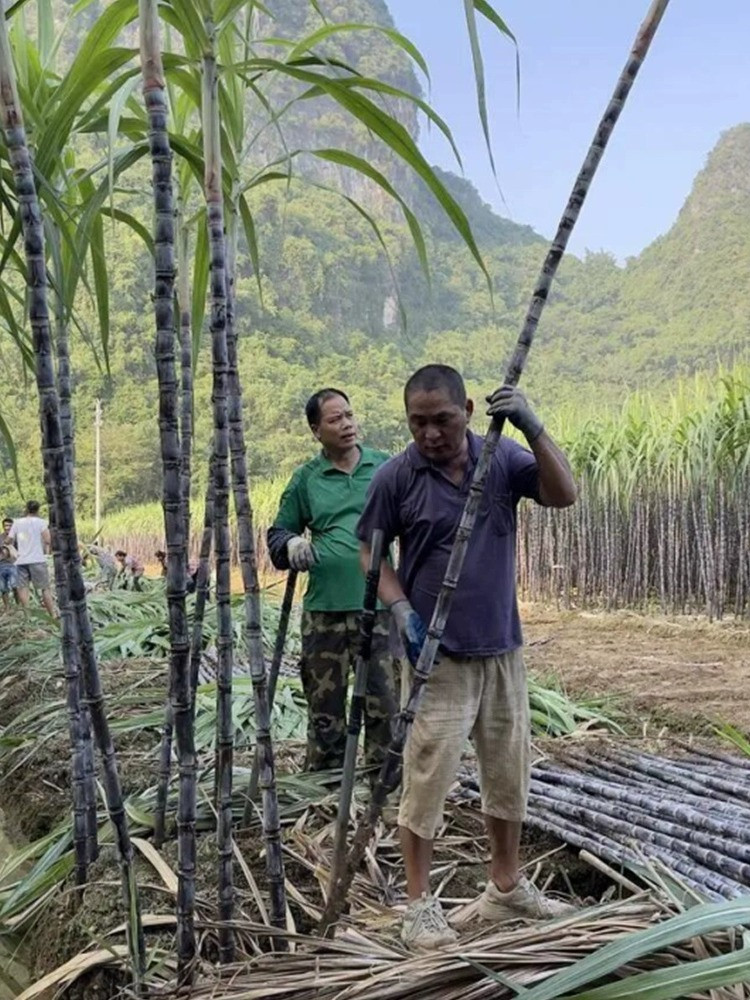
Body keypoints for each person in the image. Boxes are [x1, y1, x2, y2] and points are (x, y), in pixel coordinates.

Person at [357, 364, 577, 951]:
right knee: (427, 776)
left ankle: (505, 887)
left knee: (508, 772)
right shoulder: (396, 476)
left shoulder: (500, 460)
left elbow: (564, 494)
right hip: (438, 656)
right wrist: (400, 609)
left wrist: (533, 426)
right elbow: (370, 555)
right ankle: (418, 905)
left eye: (443, 420)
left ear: (470, 411)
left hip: (501, 646)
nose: (430, 434)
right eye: (418, 422)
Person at [267, 387, 398, 774]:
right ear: (315, 430)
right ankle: (324, 787)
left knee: (385, 704)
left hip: (378, 608)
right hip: (324, 613)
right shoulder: (306, 479)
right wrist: (290, 543)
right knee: (325, 709)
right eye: (335, 419)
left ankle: (383, 788)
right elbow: (277, 534)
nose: (347, 424)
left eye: (349, 415)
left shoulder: (385, 468)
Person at [9, 500, 55, 617]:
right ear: (38, 510)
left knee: (23, 588)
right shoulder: (41, 522)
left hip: (21, 561)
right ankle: (52, 614)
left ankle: (28, 615)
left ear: (26, 509)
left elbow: (9, 540)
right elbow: (48, 540)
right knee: (45, 588)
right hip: (37, 560)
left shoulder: (17, 522)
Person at [0, 517, 18, 609]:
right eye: (6, 525)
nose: (7, 527)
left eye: (9, 525)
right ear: (3, 526)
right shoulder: (0, 537)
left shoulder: (17, 537)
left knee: (15, 585)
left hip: (14, 565)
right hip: (1, 565)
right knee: (3, 588)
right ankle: (7, 607)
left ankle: (19, 605)